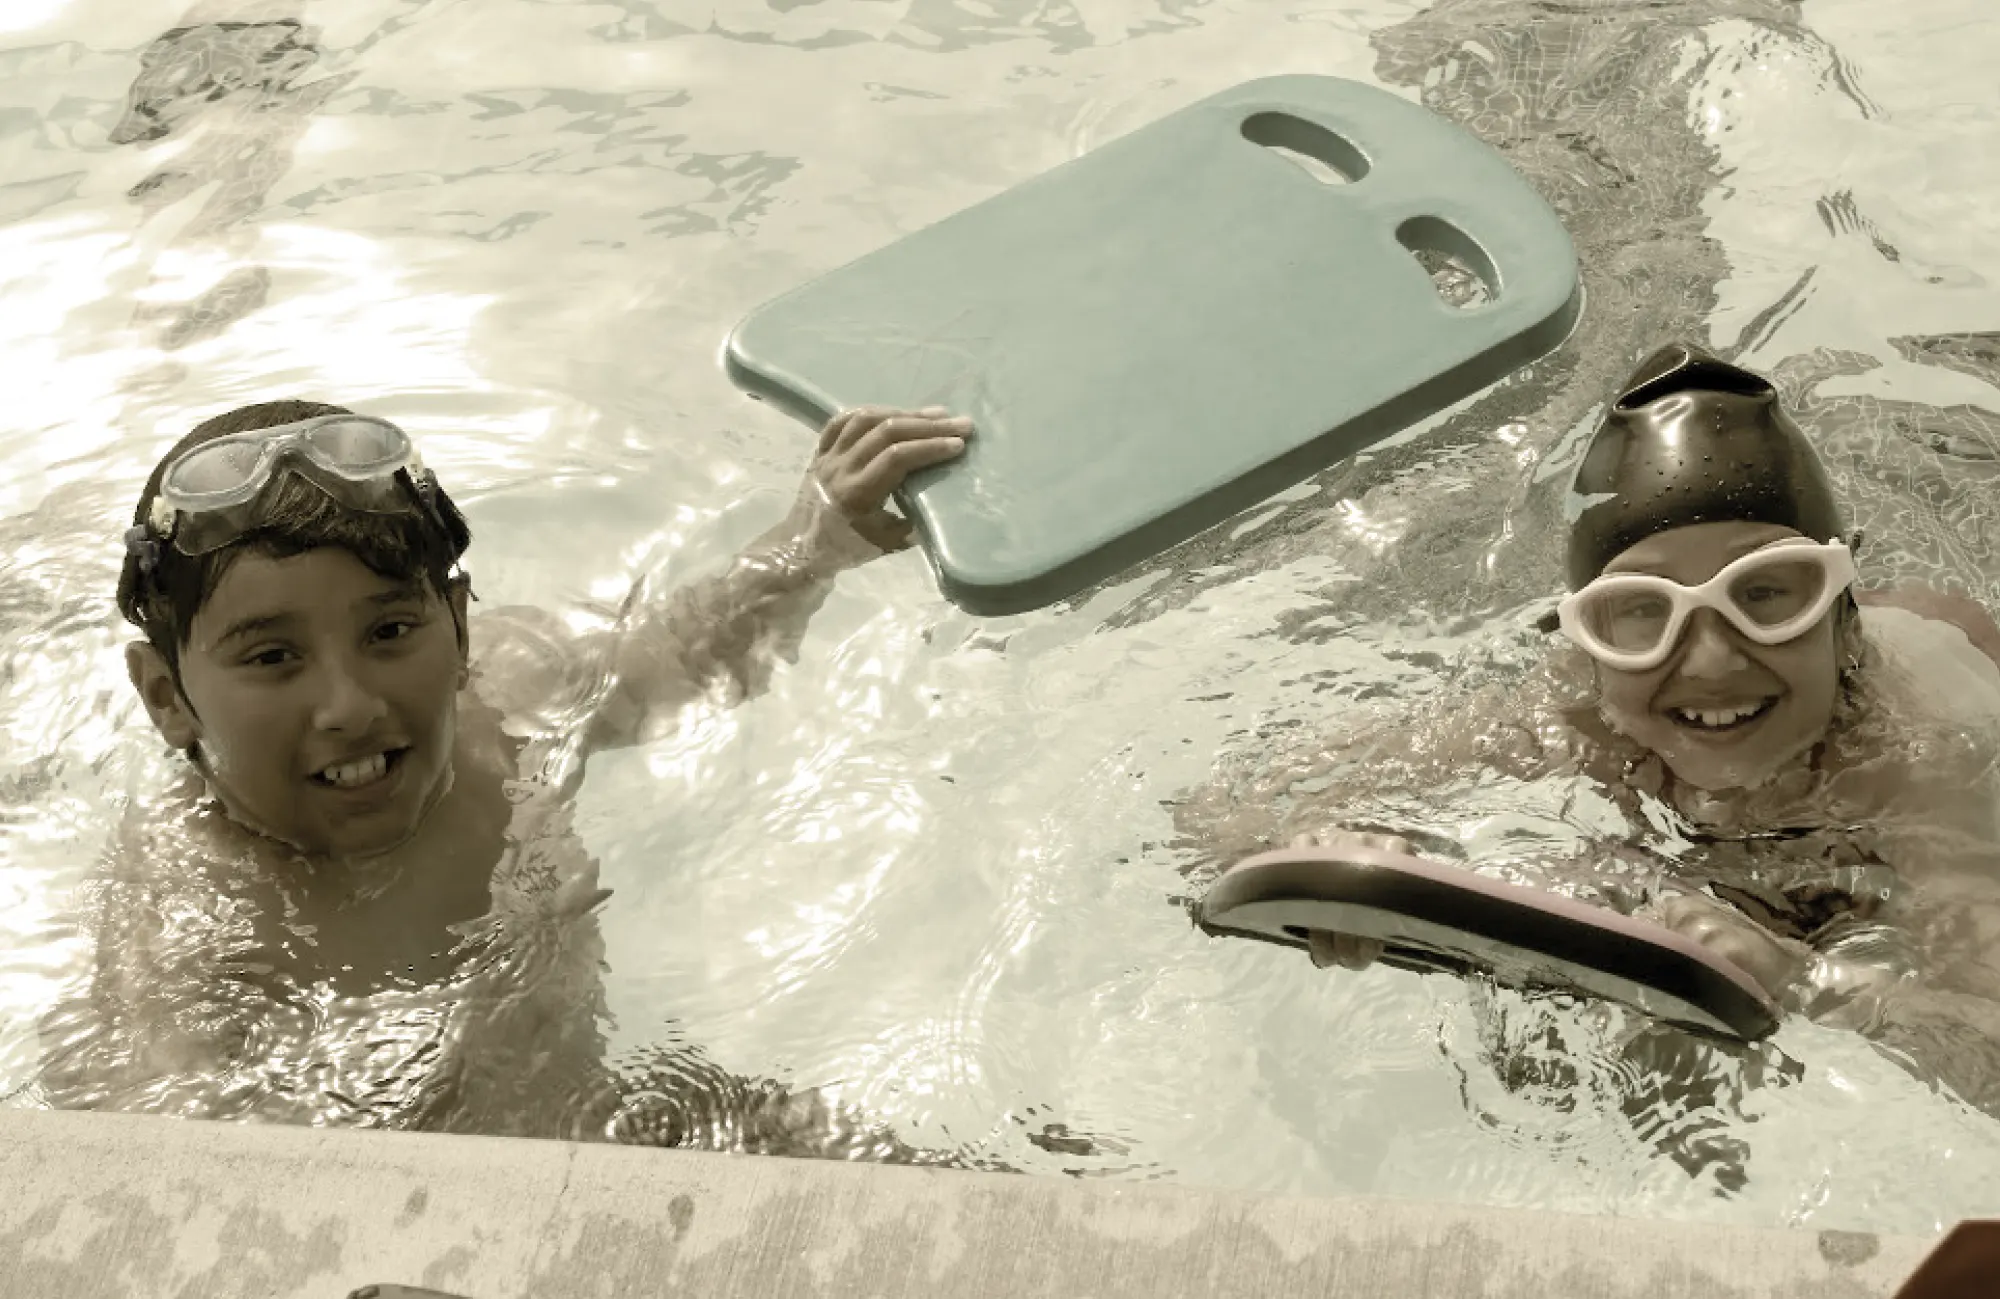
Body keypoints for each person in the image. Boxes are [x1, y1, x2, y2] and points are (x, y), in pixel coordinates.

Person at [35, 399, 970, 1151]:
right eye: (274, 656)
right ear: (166, 696)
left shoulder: (501, 699)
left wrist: (814, 541)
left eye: (390, 631)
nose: (349, 702)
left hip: (629, 1113)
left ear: (458, 626)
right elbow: (169, 1162)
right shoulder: (197, 926)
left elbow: (673, 657)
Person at [1183, 343, 2000, 1119]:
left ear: (1845, 619)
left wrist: (1802, 979)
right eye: (1641, 612)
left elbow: (1985, 1059)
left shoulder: (1920, 758)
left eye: (1767, 591)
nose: (1712, 659)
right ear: (1582, 646)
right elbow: (1215, 813)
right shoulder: (1571, 709)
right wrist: (1336, 844)